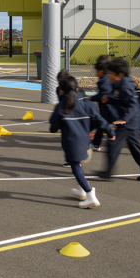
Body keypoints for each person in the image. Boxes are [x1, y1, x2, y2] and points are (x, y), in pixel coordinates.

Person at [50, 74, 109, 208]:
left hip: (71, 142)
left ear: (61, 91)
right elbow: (98, 119)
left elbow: (53, 127)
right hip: (86, 140)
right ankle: (82, 189)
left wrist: (56, 125)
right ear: (77, 89)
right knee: (78, 165)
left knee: (75, 167)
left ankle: (89, 195)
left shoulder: (61, 107)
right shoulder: (85, 104)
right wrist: (110, 132)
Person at [100, 57, 140, 182]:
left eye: (111, 73)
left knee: (113, 144)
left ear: (119, 74)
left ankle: (108, 172)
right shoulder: (119, 83)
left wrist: (124, 119)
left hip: (128, 121)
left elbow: (132, 105)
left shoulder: (125, 86)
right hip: (131, 120)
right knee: (135, 149)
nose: (108, 75)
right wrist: (107, 98)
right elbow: (117, 97)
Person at [90, 56, 115, 151]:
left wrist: (92, 98)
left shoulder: (104, 81)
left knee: (100, 124)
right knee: (100, 125)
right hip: (108, 109)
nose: (96, 73)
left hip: (110, 109)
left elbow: (104, 94)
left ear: (101, 71)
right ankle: (96, 144)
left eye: (97, 71)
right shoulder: (108, 78)